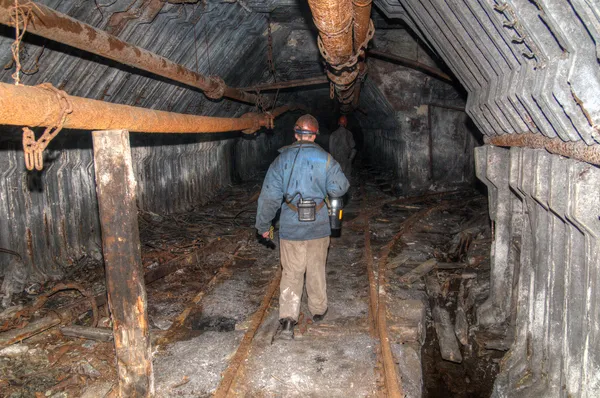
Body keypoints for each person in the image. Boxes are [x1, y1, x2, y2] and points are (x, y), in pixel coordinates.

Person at [255, 114, 350, 340]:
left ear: (296, 134)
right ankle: (318, 310)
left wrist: (263, 226)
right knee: (316, 267)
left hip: (291, 226)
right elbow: (340, 188)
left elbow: (269, 198)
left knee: (292, 272)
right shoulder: (325, 159)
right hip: (318, 225)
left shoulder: (281, 161)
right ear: (315, 135)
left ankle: (288, 320)